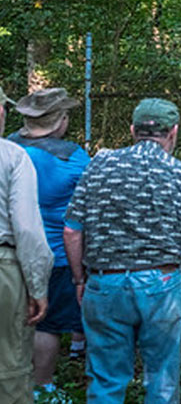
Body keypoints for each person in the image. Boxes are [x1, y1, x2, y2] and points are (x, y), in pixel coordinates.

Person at [63, 98, 181, 403]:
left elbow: (72, 230)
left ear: (133, 130)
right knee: (162, 382)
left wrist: (79, 279)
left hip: (104, 284)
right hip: (163, 285)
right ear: (173, 132)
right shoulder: (180, 174)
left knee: (105, 382)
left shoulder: (99, 166)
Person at [5, 88, 89, 399]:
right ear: (60, 121)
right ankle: (42, 388)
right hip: (56, 255)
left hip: (10, 253)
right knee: (48, 325)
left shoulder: (7, 149)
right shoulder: (74, 158)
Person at [0, 85, 53, 404]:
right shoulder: (12, 156)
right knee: (10, 371)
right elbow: (27, 229)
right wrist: (37, 288)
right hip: (5, 270)